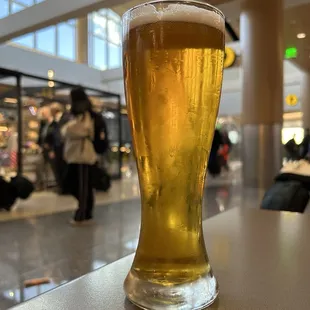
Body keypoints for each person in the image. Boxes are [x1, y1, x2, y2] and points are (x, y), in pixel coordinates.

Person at [62, 87, 98, 225]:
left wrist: (70, 130)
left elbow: (79, 130)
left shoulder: (86, 115)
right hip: (75, 155)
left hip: (83, 156)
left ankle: (83, 213)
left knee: (83, 185)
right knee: (74, 183)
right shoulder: (75, 114)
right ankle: (84, 211)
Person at [50, 102, 71, 194]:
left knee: (64, 167)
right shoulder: (55, 120)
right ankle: (62, 187)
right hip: (57, 147)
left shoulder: (66, 118)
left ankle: (65, 188)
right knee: (58, 167)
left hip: (64, 147)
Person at [36, 106, 57, 190]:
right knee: (40, 165)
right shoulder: (43, 124)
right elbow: (40, 136)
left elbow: (55, 138)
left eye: (44, 113)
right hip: (43, 149)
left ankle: (52, 184)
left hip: (51, 149)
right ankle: (41, 183)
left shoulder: (54, 124)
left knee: (52, 167)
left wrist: (52, 149)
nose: (43, 115)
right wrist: (39, 145)